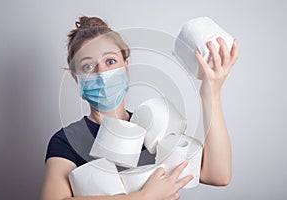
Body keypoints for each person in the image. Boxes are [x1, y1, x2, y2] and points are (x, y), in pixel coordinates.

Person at [40, 16, 239, 200]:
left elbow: (217, 175)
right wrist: (144, 197)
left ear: (126, 65)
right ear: (77, 78)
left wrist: (211, 93)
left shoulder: (155, 129)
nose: (102, 73)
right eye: (87, 66)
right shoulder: (67, 140)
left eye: (110, 61)